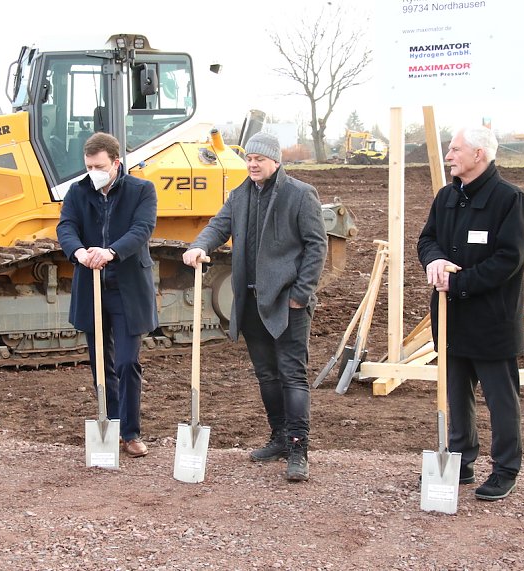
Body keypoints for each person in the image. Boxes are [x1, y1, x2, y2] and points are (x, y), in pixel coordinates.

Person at [182, 131, 327, 481]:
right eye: (248, 158)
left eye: (259, 159)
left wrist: (300, 294)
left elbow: (316, 246)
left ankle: (298, 448)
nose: (252, 164)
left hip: (287, 302)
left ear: (275, 161)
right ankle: (278, 436)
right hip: (249, 302)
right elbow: (218, 226)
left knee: (292, 374)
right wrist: (200, 246)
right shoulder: (240, 195)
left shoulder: (300, 194)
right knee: (266, 374)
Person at [418, 126, 524, 501]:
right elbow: (427, 238)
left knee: (501, 399)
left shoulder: (509, 199)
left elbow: (508, 259)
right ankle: (461, 460)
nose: (449, 156)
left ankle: (504, 469)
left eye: (455, 149)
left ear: (479, 154)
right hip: (452, 319)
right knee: (457, 395)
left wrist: (460, 282)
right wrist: (434, 260)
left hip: (491, 320)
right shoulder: (447, 197)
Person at [57, 132, 158, 458]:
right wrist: (79, 252)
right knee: (101, 364)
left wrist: (112, 252)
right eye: (88, 166)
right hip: (92, 287)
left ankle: (130, 432)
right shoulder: (77, 191)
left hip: (127, 288)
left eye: (99, 166)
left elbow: (142, 229)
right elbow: (66, 226)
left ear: (116, 163)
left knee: (127, 362)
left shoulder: (142, 191)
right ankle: (110, 423)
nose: (93, 172)